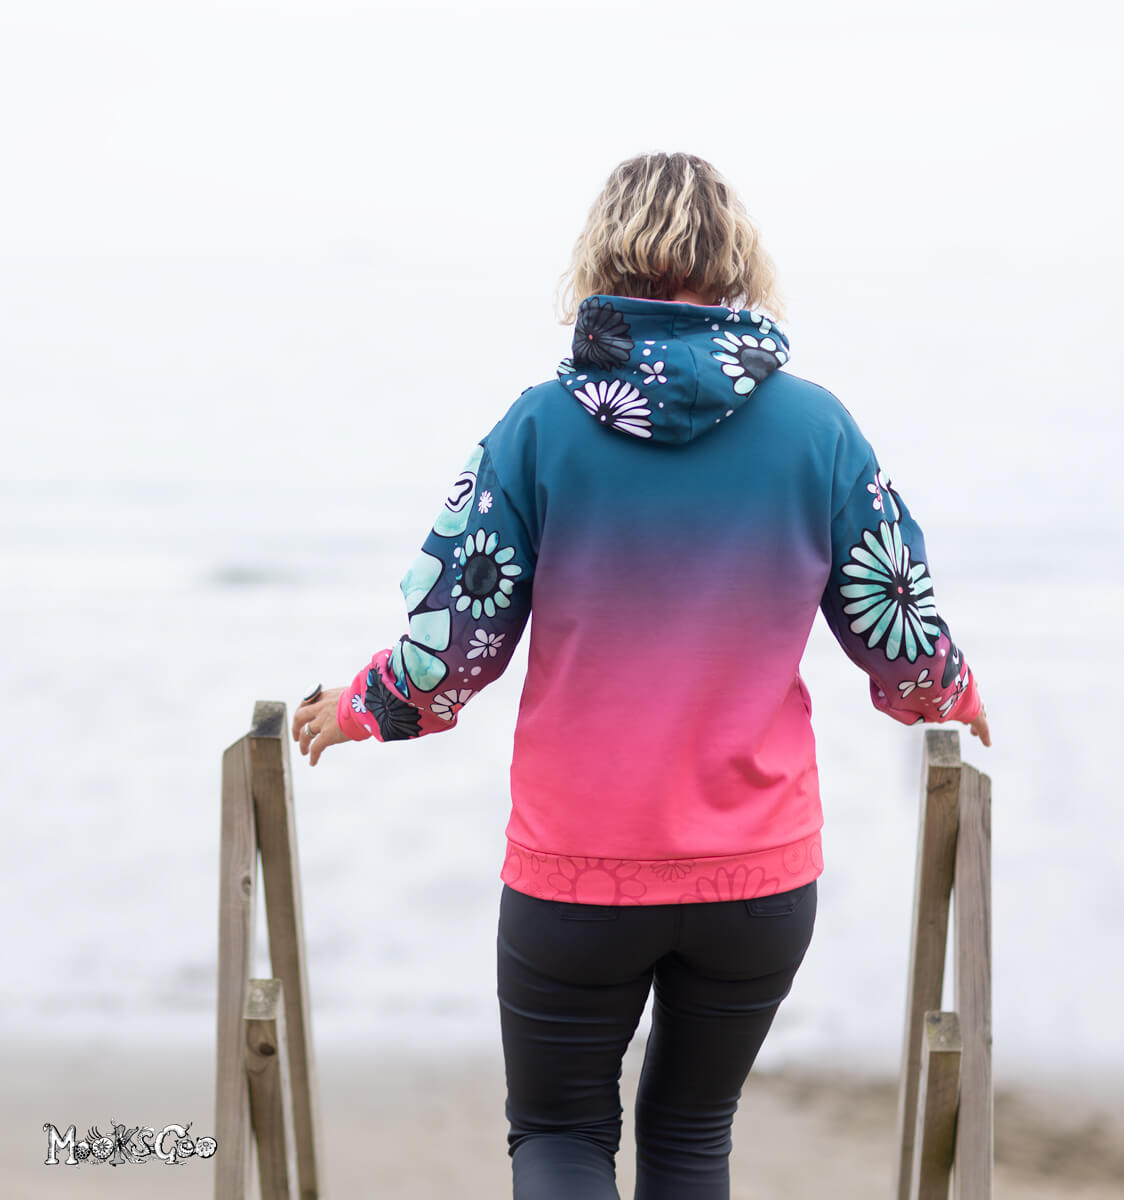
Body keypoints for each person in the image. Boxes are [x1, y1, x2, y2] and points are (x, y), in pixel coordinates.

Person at [292, 151, 990, 1200]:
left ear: (603, 260)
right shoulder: (821, 430)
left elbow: (453, 643)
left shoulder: (536, 427)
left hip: (578, 869)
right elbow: (901, 632)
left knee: (562, 1137)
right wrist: (954, 699)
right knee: (691, 1136)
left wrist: (360, 709)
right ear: (736, 262)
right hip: (756, 873)